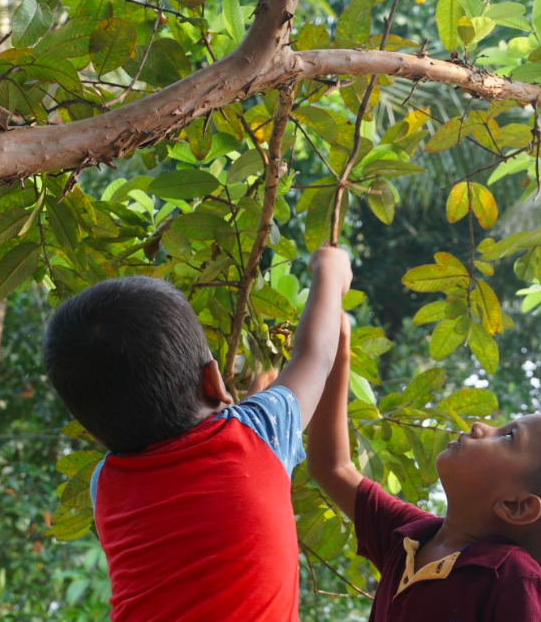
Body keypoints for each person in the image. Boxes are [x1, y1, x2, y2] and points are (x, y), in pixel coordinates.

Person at [41, 246, 352, 622]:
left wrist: (250, 409)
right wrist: (330, 272)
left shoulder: (103, 485)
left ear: (94, 433)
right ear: (213, 381)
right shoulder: (259, 434)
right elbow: (314, 356)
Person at [307, 316, 541, 621]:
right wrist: (338, 350)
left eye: (508, 436)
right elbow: (332, 467)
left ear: (515, 505)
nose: (481, 426)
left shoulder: (513, 579)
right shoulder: (408, 536)